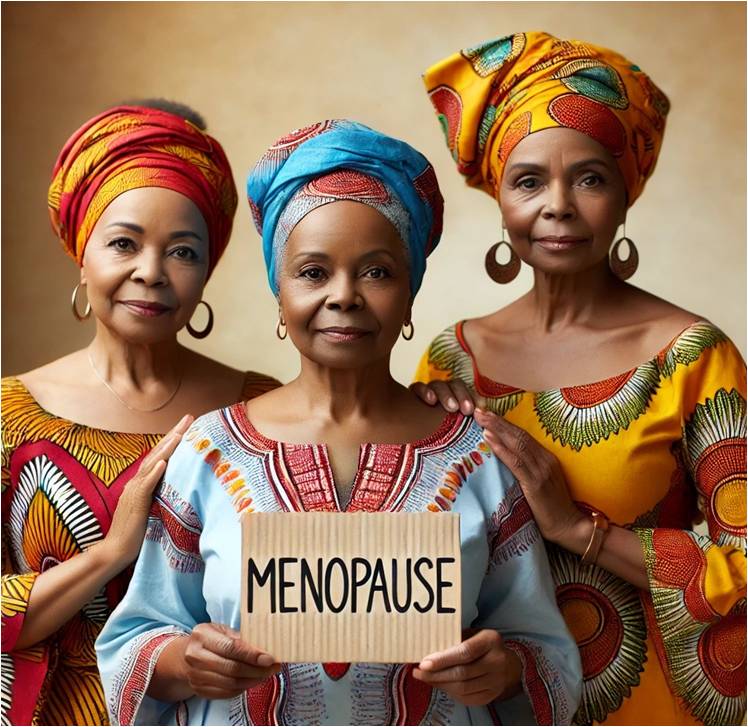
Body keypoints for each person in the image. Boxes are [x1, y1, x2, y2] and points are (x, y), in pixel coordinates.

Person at [96, 119, 581, 726]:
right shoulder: (210, 451)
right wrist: (182, 662)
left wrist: (504, 668)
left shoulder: (478, 457)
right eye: (313, 272)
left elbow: (544, 648)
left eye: (377, 272)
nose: (344, 295)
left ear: (410, 294)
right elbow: (139, 633)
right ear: (280, 291)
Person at [412, 31, 746, 725]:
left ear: (626, 195)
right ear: (500, 200)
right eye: (529, 180)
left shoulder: (691, 356)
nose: (558, 204)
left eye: (590, 177)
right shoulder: (451, 361)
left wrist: (573, 527)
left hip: (646, 708)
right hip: (493, 708)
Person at [1, 101, 278, 726]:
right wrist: (112, 551)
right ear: (81, 250)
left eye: (182, 251)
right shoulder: (11, 414)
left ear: (209, 268)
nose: (151, 273)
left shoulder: (263, 407)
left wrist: (430, 403)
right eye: (124, 243)